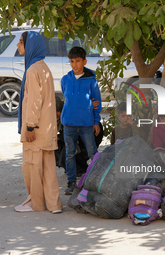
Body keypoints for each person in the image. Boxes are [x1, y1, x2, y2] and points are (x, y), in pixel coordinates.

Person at [15, 31, 63, 214]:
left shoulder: (33, 70)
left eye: (21, 42)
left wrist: (29, 126)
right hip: (47, 129)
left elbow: (34, 101)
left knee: (32, 168)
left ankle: (36, 204)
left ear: (31, 46)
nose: (18, 46)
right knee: (48, 169)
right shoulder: (44, 68)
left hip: (36, 130)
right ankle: (54, 205)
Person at [61, 46, 102, 195]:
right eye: (72, 61)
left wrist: (96, 121)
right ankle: (71, 182)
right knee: (69, 154)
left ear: (84, 61)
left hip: (86, 124)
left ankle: (97, 180)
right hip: (69, 124)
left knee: (93, 153)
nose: (74, 65)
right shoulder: (65, 79)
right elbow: (68, 99)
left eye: (77, 61)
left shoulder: (91, 81)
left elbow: (97, 101)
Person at [55, 97, 103, 177]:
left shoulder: (69, 113)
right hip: (78, 137)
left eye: (57, 111)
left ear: (61, 109)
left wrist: (58, 137)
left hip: (91, 135)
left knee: (68, 149)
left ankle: (80, 170)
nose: (55, 114)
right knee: (56, 146)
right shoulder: (60, 118)